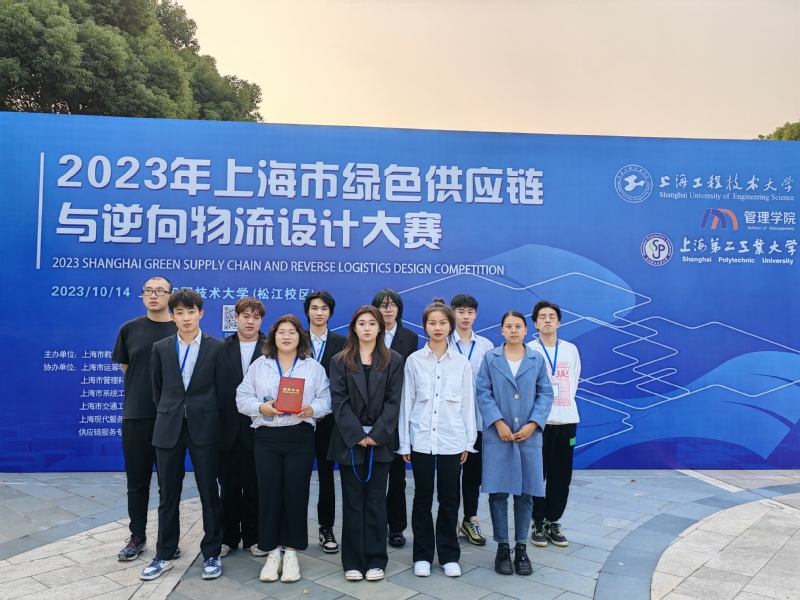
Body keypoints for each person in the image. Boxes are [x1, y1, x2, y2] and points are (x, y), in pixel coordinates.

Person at [236, 315, 331, 584]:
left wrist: (314, 409)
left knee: (295, 494)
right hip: (267, 438)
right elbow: (242, 397)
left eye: (292, 332)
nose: (286, 337)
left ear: (300, 337)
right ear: (273, 337)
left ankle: (291, 553)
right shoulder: (260, 365)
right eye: (281, 332)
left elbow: (326, 399)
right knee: (269, 494)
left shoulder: (312, 367)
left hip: (300, 437)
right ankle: (272, 551)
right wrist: (260, 407)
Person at [142, 289, 226, 581]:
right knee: (168, 494)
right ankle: (164, 554)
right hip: (169, 427)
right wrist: (172, 411)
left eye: (191, 312)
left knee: (209, 493)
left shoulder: (217, 347)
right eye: (179, 312)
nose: (186, 317)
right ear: (172, 316)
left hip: (205, 428)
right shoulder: (161, 348)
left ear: (201, 314)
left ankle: (212, 553)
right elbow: (157, 390)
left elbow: (223, 390)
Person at [400, 300, 476, 578]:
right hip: (421, 437)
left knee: (449, 498)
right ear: (425, 327)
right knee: (421, 498)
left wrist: (468, 442)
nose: (438, 327)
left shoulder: (461, 363)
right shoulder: (414, 361)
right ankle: (422, 555)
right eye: (432, 323)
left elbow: (467, 405)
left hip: (451, 439)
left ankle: (448, 555)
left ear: (450, 326)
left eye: (443, 322)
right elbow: (406, 403)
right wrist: (404, 442)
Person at [328, 306, 404, 581]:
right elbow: (339, 401)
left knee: (375, 500)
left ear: (380, 327)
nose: (367, 328)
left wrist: (377, 435)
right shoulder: (340, 360)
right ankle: (352, 561)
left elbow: (394, 401)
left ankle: (375, 560)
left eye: (372, 323)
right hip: (349, 441)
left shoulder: (394, 360)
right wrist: (358, 435)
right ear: (354, 328)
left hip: (381, 441)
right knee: (352, 500)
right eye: (362, 323)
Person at [476, 311, 553, 576]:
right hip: (499, 436)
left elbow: (545, 395)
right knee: (498, 493)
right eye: (508, 326)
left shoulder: (536, 359)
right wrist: (498, 422)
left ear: (526, 330)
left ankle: (521, 548)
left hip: (529, 436)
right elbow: (483, 393)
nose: (513, 330)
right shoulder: (491, 358)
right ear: (502, 330)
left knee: (525, 493)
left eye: (518, 326)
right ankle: (502, 547)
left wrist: (533, 424)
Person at [113, 277, 178, 562]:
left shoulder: (180, 328)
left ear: (170, 296)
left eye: (160, 291)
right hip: (136, 415)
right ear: (142, 296)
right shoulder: (130, 329)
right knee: (137, 481)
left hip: (170, 417)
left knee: (169, 483)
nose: (154, 295)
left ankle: (168, 539)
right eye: (149, 291)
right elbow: (127, 367)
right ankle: (137, 536)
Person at [528, 300, 581, 548]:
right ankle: (537, 522)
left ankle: (552, 521)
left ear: (559, 322)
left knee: (561, 476)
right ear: (535, 323)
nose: (547, 320)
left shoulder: (570, 350)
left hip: (566, 420)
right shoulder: (529, 350)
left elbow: (575, 380)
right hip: (538, 424)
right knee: (536, 474)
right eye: (542, 317)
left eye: (552, 316)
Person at [217, 298, 267, 558]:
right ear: (235, 318)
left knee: (256, 487)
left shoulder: (271, 348)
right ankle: (227, 538)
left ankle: (254, 537)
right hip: (227, 430)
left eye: (256, 317)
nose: (250, 321)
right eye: (245, 316)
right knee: (229, 488)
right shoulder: (219, 348)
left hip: (261, 430)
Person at [372, 288, 419, 548]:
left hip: (399, 414)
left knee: (397, 477)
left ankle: (397, 527)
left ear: (399, 309)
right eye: (383, 305)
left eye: (392, 305)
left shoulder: (409, 337)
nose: (388, 309)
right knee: (374, 476)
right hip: (371, 414)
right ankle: (375, 525)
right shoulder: (367, 333)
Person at [304, 291, 347, 554]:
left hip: (330, 421)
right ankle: (293, 531)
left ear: (330, 312)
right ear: (307, 311)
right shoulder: (295, 338)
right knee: (295, 477)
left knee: (326, 476)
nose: (319, 313)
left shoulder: (342, 342)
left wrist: (325, 409)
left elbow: (344, 383)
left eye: (324, 308)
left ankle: (326, 528)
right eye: (314, 308)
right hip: (298, 420)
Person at [448, 294, 494, 546]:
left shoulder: (486, 346)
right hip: (450, 422)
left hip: (478, 422)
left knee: (473, 475)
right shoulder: (443, 342)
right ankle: (450, 520)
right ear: (453, 313)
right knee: (450, 475)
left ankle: (470, 518)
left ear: (475, 315)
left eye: (470, 312)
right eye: (460, 311)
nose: (465, 316)